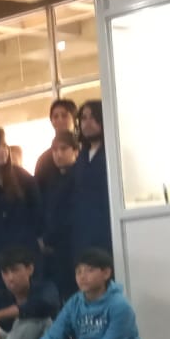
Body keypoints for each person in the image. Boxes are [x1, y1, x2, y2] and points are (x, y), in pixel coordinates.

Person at [13, 248, 150, 339]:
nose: (82, 276)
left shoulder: (120, 305)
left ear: (106, 273)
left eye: (89, 270)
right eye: (78, 272)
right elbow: (52, 337)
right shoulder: (74, 303)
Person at [0, 125, 43, 306]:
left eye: (4, 146)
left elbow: (37, 209)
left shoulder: (21, 176)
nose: (3, 151)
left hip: (23, 247)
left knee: (31, 300)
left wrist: (37, 236)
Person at [66, 100, 113, 267]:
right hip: (83, 234)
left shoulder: (112, 152)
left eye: (93, 117)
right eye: (84, 118)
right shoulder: (82, 156)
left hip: (107, 231)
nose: (87, 123)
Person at [37, 130, 82, 297]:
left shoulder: (80, 178)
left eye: (63, 149)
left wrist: (47, 239)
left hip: (72, 248)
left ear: (76, 151)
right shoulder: (52, 179)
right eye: (55, 150)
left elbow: (69, 215)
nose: (58, 154)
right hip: (54, 251)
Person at [32, 98, 79, 182]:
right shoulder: (44, 160)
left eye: (64, 115)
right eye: (55, 116)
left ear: (74, 119)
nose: (59, 120)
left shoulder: (87, 151)